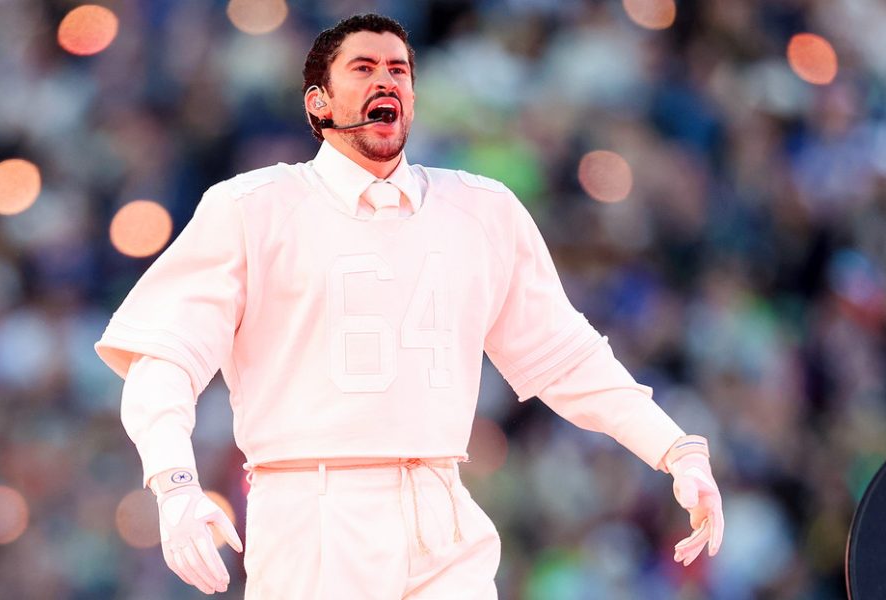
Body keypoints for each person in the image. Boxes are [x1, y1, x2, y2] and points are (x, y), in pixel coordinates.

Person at [95, 13, 724, 599]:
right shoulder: (251, 207)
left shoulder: (482, 209)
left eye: (398, 70)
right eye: (363, 68)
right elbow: (164, 358)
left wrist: (675, 449)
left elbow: (568, 357)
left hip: (442, 505)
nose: (386, 81)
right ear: (318, 102)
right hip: (312, 510)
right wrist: (174, 483)